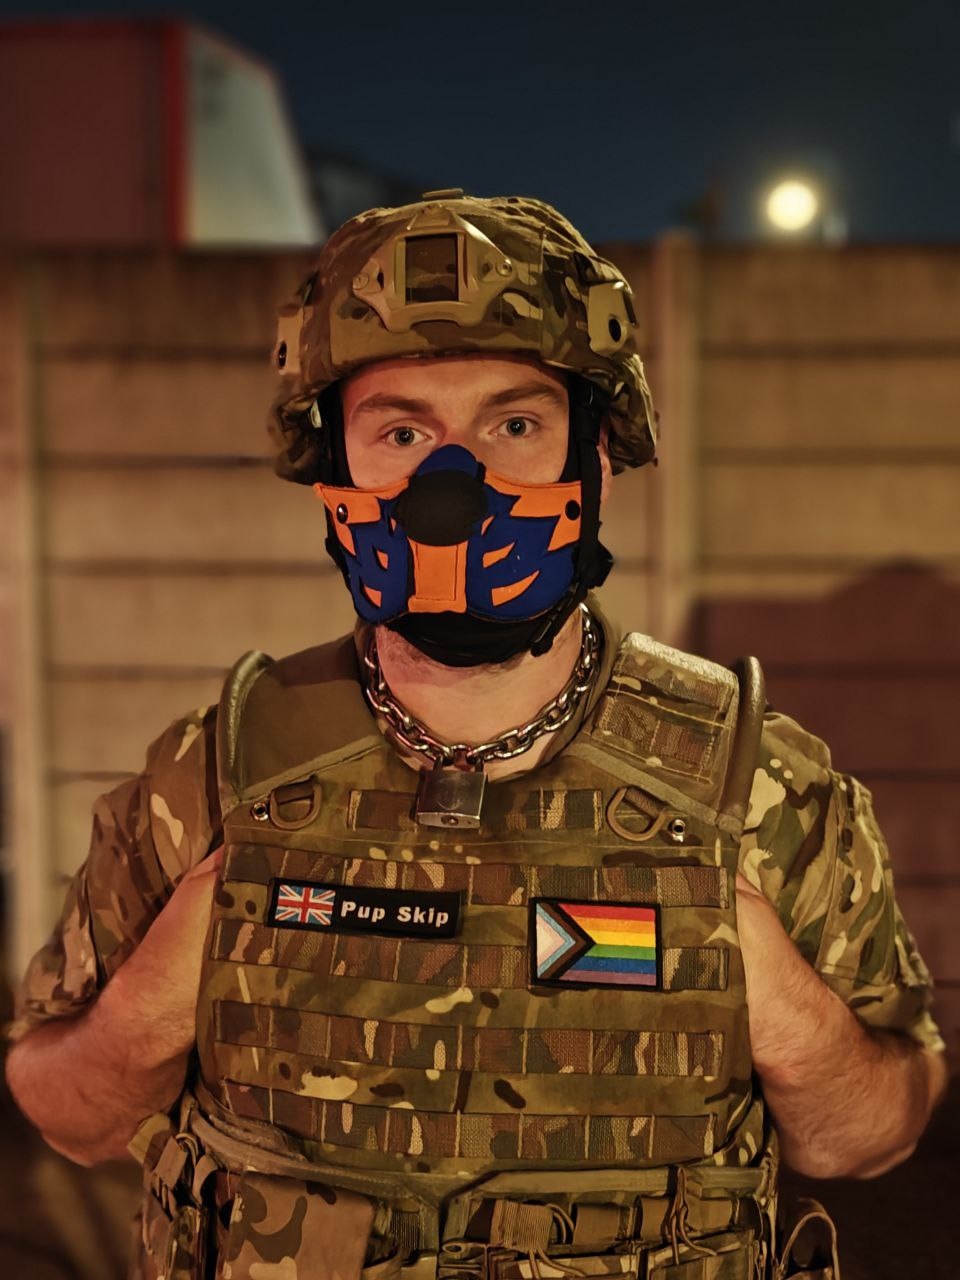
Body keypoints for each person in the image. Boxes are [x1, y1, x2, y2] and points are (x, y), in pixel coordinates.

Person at [6, 191, 946, 1280]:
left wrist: (764, 987)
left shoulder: (758, 784)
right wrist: (166, 984)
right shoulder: (212, 775)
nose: (450, 489)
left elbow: (869, 1135)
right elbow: (68, 1114)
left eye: (514, 425)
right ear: (332, 472)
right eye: (402, 433)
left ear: (594, 458)